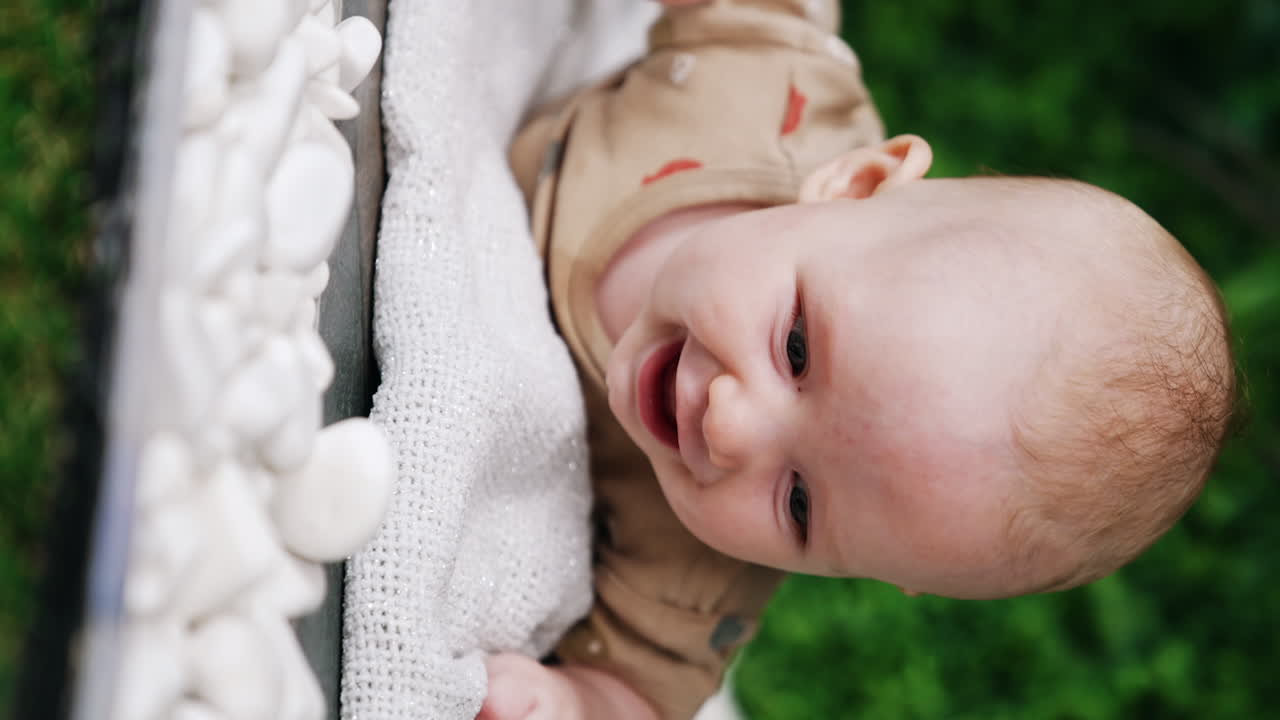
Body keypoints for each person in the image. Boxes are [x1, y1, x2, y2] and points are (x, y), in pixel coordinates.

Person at [483, 1, 1236, 718]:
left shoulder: (694, 579)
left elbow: (639, 694)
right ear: (854, 185)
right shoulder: (767, 96)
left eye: (800, 504)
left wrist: (572, 703)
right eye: (797, 348)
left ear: (880, 570)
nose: (729, 427)